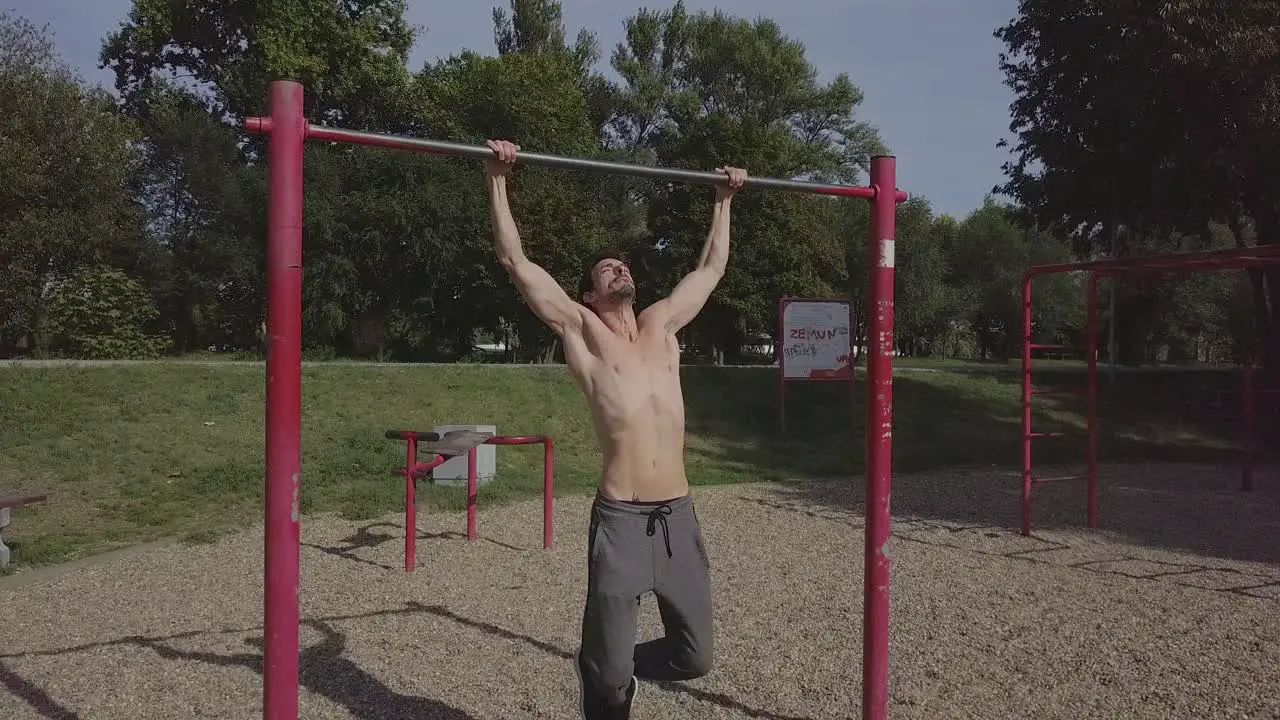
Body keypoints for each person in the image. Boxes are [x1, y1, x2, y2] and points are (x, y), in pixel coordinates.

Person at [484, 139, 747, 719]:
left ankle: (606, 663)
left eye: (623, 264)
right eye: (607, 268)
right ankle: (607, 673)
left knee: (695, 657)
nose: (620, 267)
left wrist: (723, 200)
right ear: (590, 294)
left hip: (678, 517)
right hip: (622, 522)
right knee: (610, 681)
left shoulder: (664, 325)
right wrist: (498, 181)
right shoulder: (582, 332)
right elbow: (517, 265)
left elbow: (711, 268)